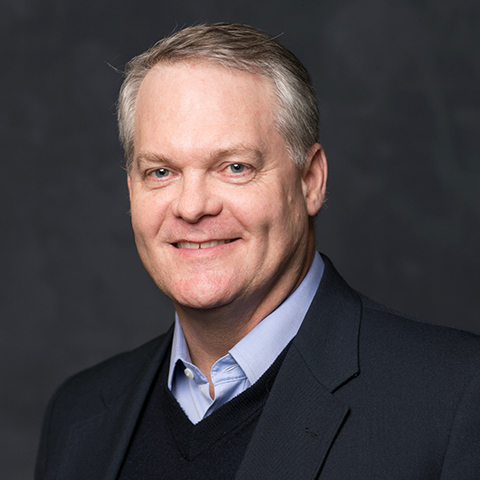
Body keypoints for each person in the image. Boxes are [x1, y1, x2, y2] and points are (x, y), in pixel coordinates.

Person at [35, 23, 480, 479]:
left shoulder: (455, 398)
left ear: (310, 181)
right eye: (162, 172)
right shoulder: (78, 415)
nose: (191, 207)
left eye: (234, 167)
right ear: (132, 193)